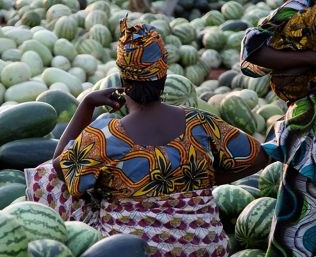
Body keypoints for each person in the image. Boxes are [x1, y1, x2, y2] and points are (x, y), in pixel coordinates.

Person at [25, 16, 269, 256]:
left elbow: (59, 169)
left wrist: (86, 104)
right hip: (205, 246)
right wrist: (210, 179)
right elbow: (258, 157)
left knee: (47, 176)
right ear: (163, 77)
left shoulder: (105, 134)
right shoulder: (200, 122)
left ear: (123, 79)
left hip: (135, 249)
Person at [240, 1, 316, 256]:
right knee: (302, 223)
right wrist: (310, 58)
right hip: (309, 131)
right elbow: (253, 49)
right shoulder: (303, 6)